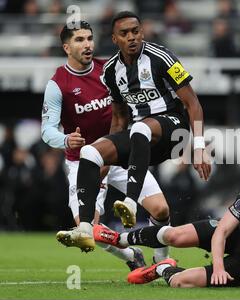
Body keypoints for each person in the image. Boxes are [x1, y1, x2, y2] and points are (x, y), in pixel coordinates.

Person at [61, 11, 210, 252]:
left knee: (140, 127)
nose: (132, 37)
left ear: (142, 32)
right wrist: (106, 162)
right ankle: (86, 228)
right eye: (125, 33)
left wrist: (200, 147)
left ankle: (130, 202)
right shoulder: (110, 71)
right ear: (114, 39)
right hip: (140, 137)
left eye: (135, 31)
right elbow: (119, 119)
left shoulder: (162, 57)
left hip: (173, 131)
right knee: (90, 152)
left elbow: (193, 103)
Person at [41, 21, 171, 266]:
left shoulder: (109, 70)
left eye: (89, 38)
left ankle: (162, 261)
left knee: (161, 210)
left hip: (120, 154)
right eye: (79, 40)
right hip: (83, 163)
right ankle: (131, 255)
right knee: (87, 229)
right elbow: (47, 131)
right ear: (66, 47)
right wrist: (66, 139)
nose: (87, 44)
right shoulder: (58, 84)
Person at [94, 162, 240, 290]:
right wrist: (218, 267)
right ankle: (119, 239)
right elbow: (222, 230)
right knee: (176, 235)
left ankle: (162, 269)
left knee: (181, 282)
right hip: (239, 235)